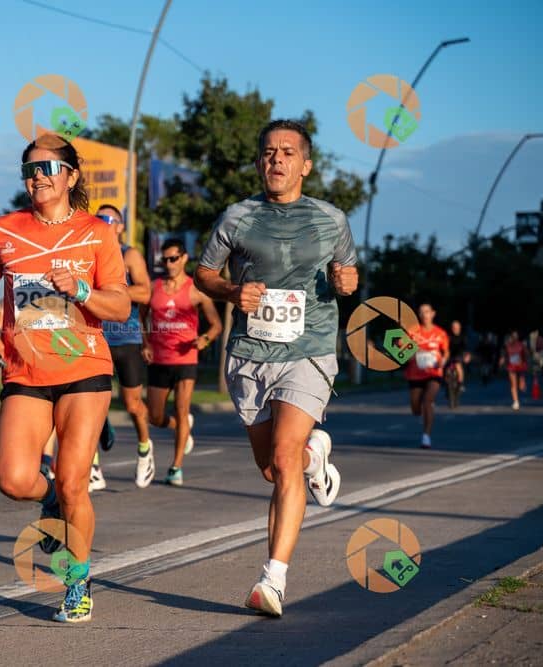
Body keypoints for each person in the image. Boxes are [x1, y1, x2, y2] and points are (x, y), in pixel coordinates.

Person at [194, 119, 358, 618]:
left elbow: (347, 273)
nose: (277, 160)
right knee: (272, 468)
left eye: (288, 152)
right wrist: (230, 291)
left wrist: (347, 282)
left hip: (308, 351)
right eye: (269, 152)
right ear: (258, 162)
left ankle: (273, 580)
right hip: (249, 354)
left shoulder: (331, 220)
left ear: (305, 165)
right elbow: (204, 273)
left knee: (283, 462)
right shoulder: (238, 217)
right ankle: (314, 455)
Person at [0, 133, 129, 623]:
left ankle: (77, 584)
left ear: (71, 176)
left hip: (84, 367)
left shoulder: (97, 233)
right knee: (13, 478)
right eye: (30, 170)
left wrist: (82, 289)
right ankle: (49, 500)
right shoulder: (4, 229)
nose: (37, 177)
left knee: (74, 480)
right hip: (26, 370)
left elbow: (120, 305)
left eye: (47, 168)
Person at [142, 238, 221, 486]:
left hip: (186, 359)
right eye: (165, 259)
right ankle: (180, 427)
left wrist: (204, 339)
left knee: (181, 408)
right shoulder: (153, 287)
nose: (169, 264)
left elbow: (216, 325)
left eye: (173, 258)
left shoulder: (196, 290)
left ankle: (175, 467)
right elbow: (140, 318)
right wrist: (145, 344)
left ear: (184, 258)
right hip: (159, 359)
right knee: (154, 417)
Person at [93, 204, 155, 490]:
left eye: (109, 219)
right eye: (98, 219)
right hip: (97, 338)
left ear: (119, 227)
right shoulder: (89, 254)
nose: (103, 223)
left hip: (127, 337)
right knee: (92, 403)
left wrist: (113, 291)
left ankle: (144, 448)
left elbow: (145, 292)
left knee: (132, 404)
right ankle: (93, 466)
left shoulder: (129, 255)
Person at [404, 303, 449, 448]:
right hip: (415, 374)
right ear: (419, 315)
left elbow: (446, 352)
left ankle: (426, 436)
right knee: (416, 409)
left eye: (427, 311)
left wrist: (443, 360)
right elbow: (401, 349)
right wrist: (411, 353)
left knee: (427, 401)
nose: (424, 315)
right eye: (421, 312)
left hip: (434, 372)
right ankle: (423, 408)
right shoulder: (412, 331)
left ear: (433, 314)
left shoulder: (440, 333)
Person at [500, 330, 528, 410]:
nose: (514, 337)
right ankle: (516, 401)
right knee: (513, 384)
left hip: (520, 367)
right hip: (511, 367)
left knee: (521, 386)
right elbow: (504, 354)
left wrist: (526, 362)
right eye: (513, 336)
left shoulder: (521, 345)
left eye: (516, 336)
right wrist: (502, 360)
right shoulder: (507, 345)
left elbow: (526, 354)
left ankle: (522, 384)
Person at [447, 319, 469, 391]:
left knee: (458, 366)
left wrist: (466, 356)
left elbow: (465, 347)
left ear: (459, 327)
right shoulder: (448, 336)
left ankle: (460, 384)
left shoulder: (463, 336)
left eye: (456, 327)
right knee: (447, 370)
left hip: (458, 355)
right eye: (453, 327)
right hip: (449, 355)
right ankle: (447, 384)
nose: (454, 328)